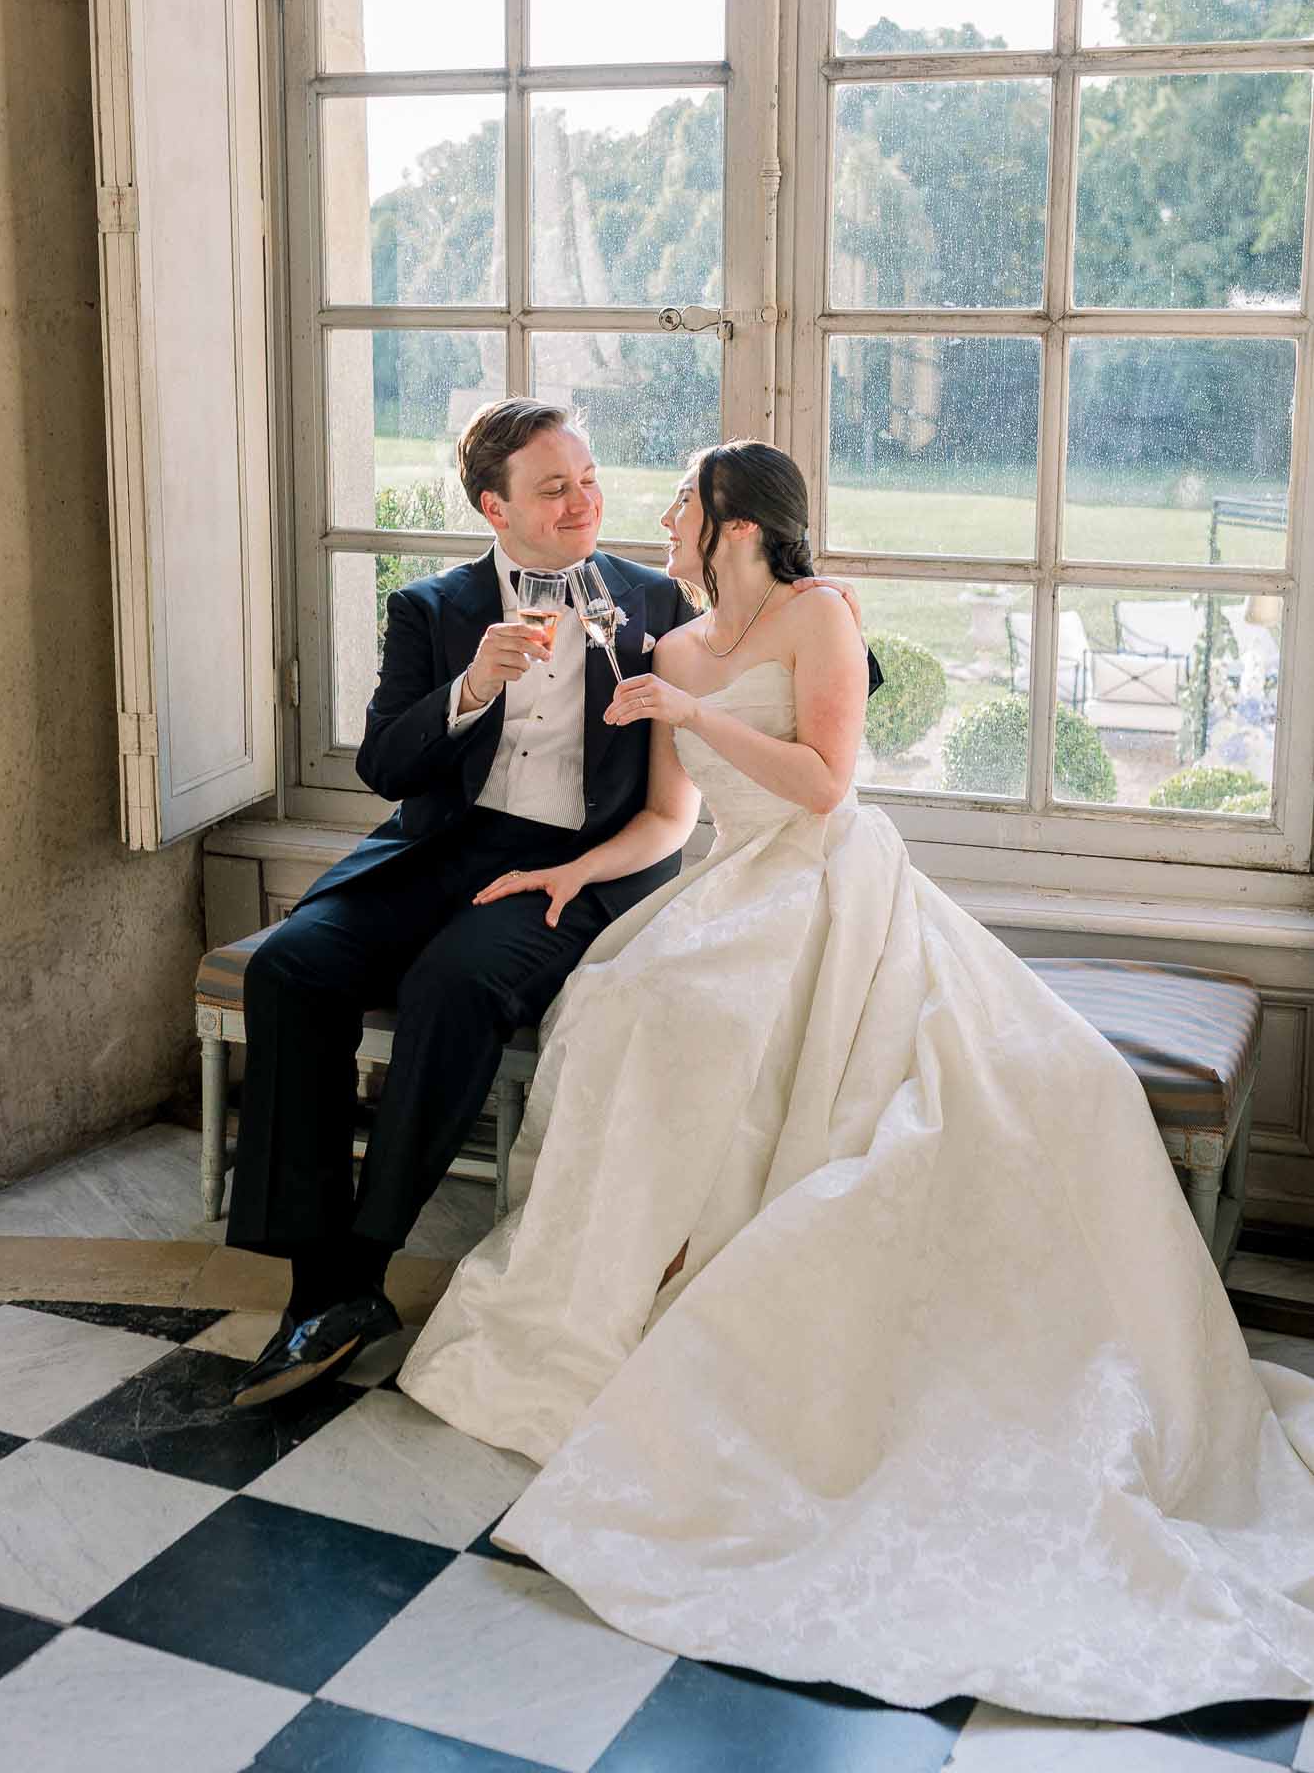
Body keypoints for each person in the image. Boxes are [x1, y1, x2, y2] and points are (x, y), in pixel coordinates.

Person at [399, 439, 1314, 1720]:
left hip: (833, 878)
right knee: (628, 997)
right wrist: (573, 873)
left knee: (767, 1023)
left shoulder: (822, 616)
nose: (655, 520)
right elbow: (671, 821)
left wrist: (703, 716)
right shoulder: (667, 648)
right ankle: (640, 1267)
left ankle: (742, 1260)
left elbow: (829, 786)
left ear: (731, 522)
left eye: (679, 503)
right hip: (730, 880)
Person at [225, 398, 705, 1405]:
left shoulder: (658, 603)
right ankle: (322, 1274)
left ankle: (360, 1266)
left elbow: (676, 790)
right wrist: (469, 690)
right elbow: (385, 765)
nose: (583, 500)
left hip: (576, 864)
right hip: (441, 844)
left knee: (454, 984)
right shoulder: (433, 608)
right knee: (289, 965)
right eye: (553, 486)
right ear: (495, 504)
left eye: (586, 477)